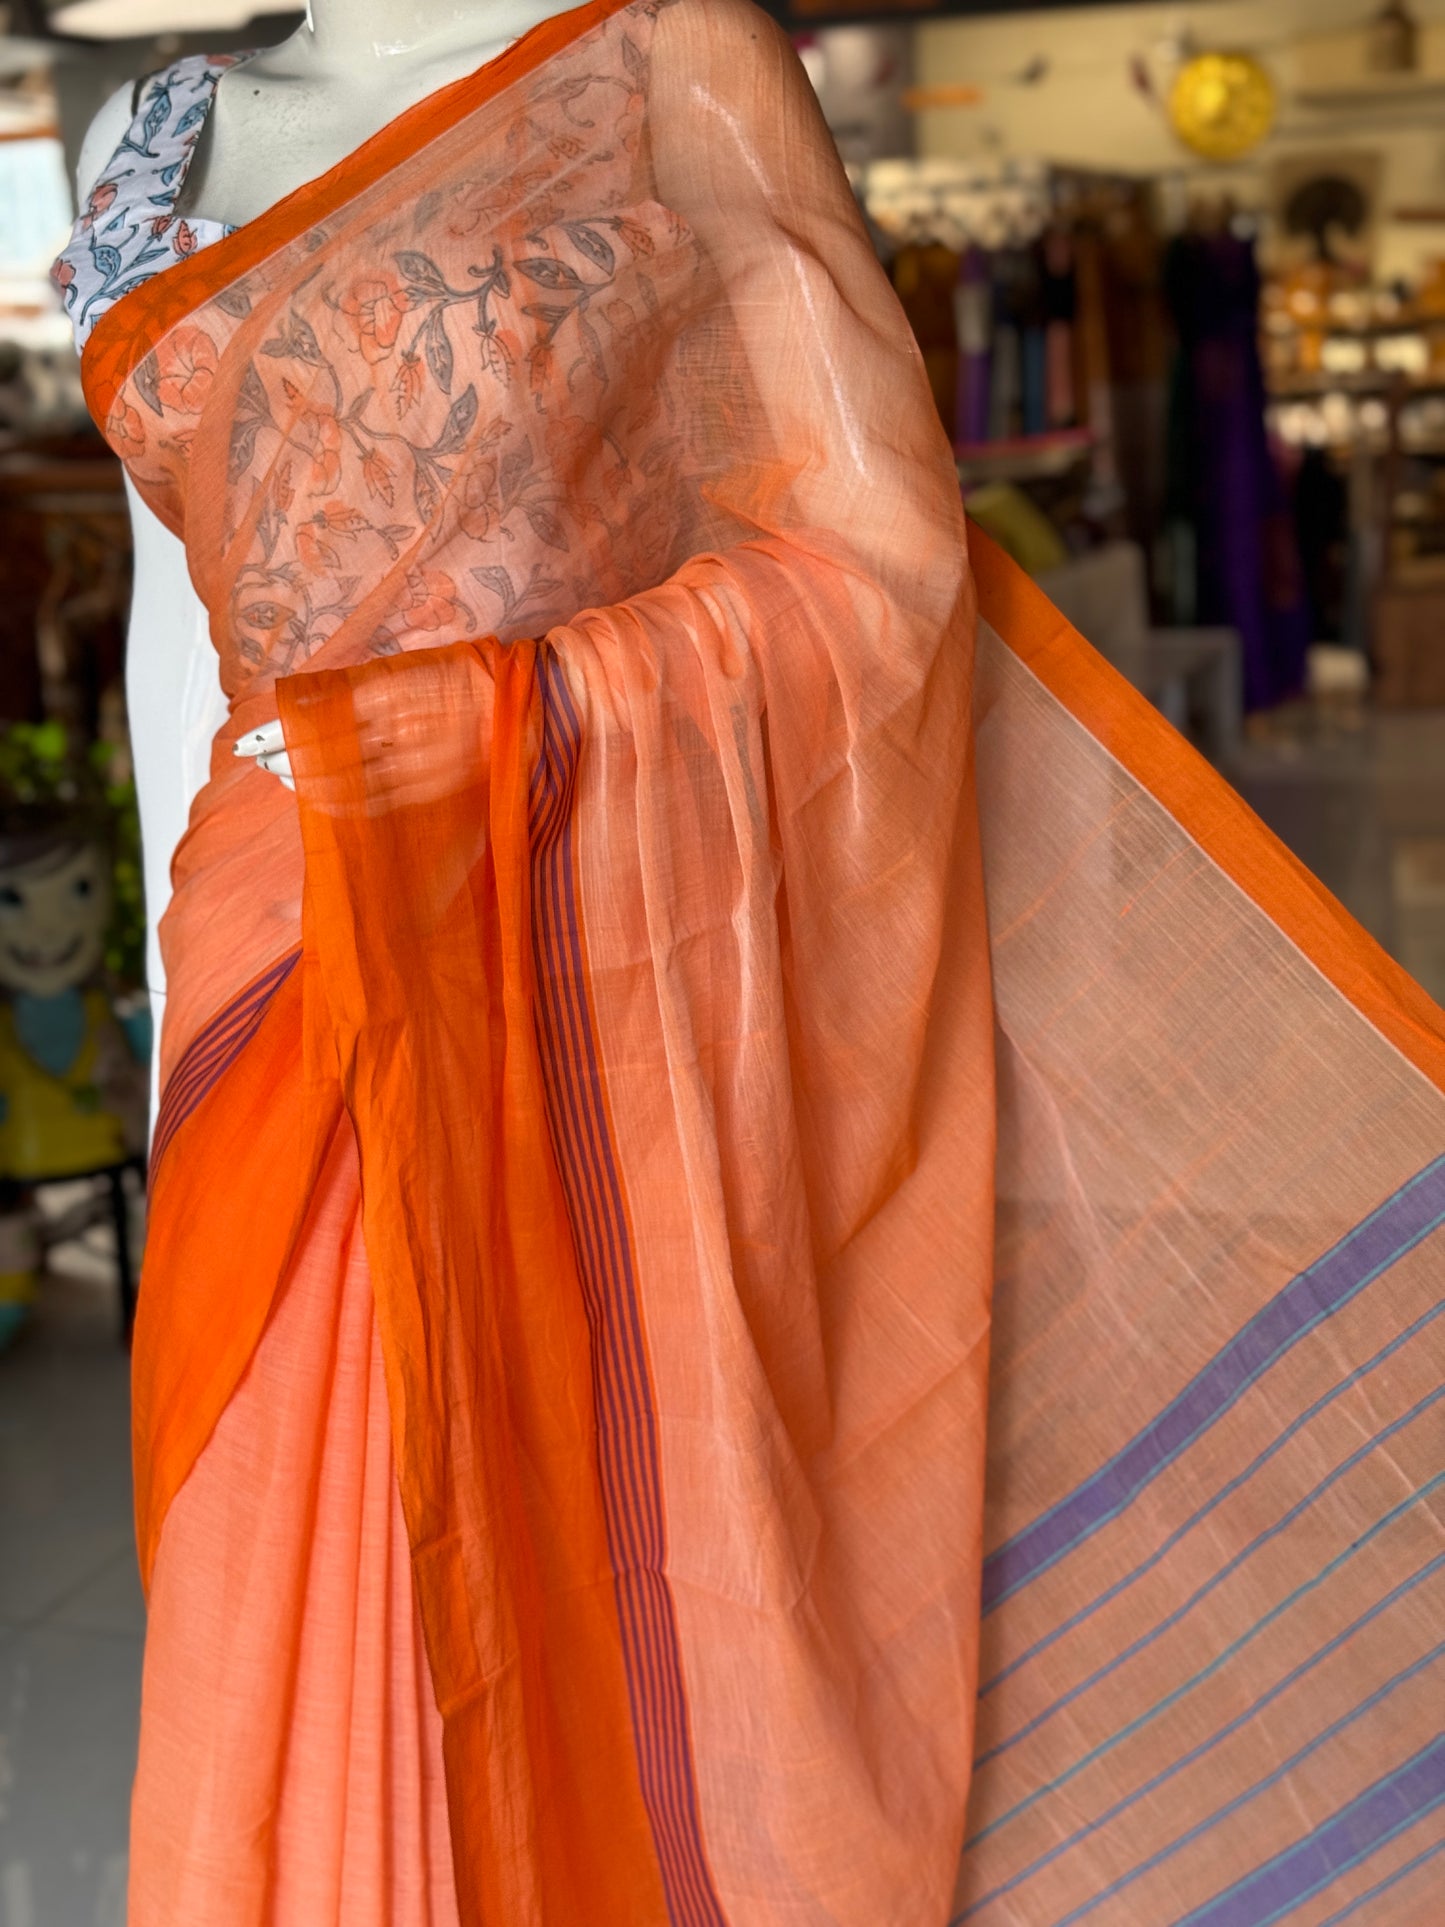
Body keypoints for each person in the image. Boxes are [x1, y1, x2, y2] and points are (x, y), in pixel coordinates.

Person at [58, 1, 1445, 1921]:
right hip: (264, 987)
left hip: (570, 959)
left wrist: (478, 732)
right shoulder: (144, 135)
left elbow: (872, 560)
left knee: (607, 1591)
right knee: (291, 1603)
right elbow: (179, 637)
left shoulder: (665, 50)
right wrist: (171, 1027)